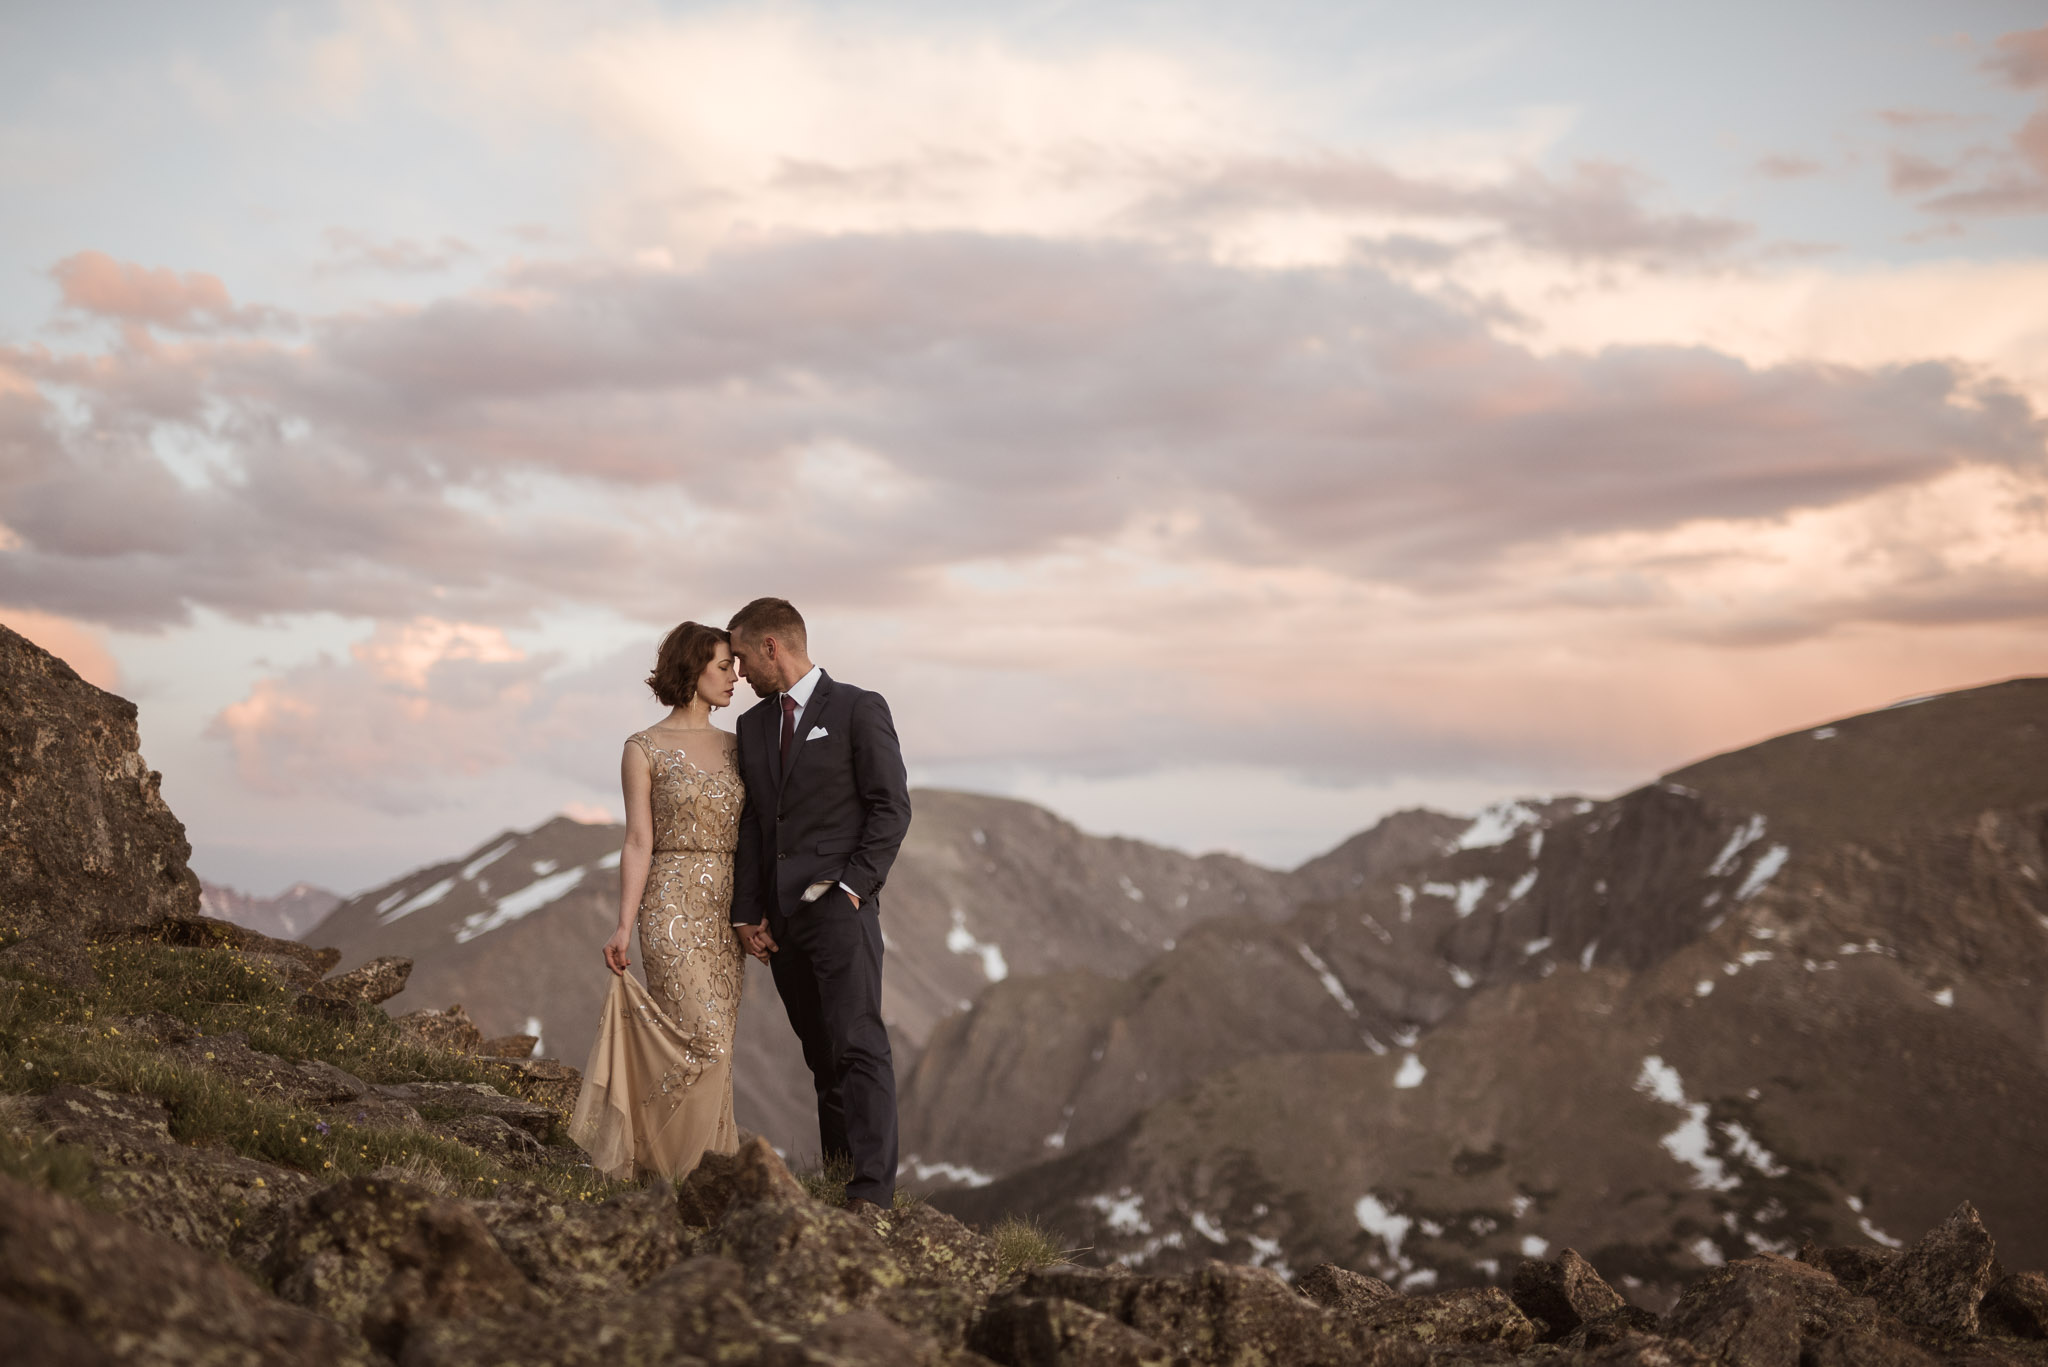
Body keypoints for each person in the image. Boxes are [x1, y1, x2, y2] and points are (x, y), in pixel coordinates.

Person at [725, 597, 911, 1212]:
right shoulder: (752, 727)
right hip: (780, 925)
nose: (740, 670)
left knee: (859, 1043)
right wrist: (748, 912)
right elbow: (755, 823)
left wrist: (854, 888)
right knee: (821, 1054)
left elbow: (891, 806)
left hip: (840, 910)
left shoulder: (859, 707)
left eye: (744, 656)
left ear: (773, 646)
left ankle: (872, 1193)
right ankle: (840, 1181)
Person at [568, 621, 747, 1182]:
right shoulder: (642, 748)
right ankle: (672, 1172)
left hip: (726, 910)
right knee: (706, 1043)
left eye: (736, 667)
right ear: (692, 670)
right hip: (669, 909)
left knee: (718, 1053)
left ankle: (695, 1182)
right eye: (724, 666)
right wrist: (623, 926)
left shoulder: (741, 747)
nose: (735, 677)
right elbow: (639, 841)